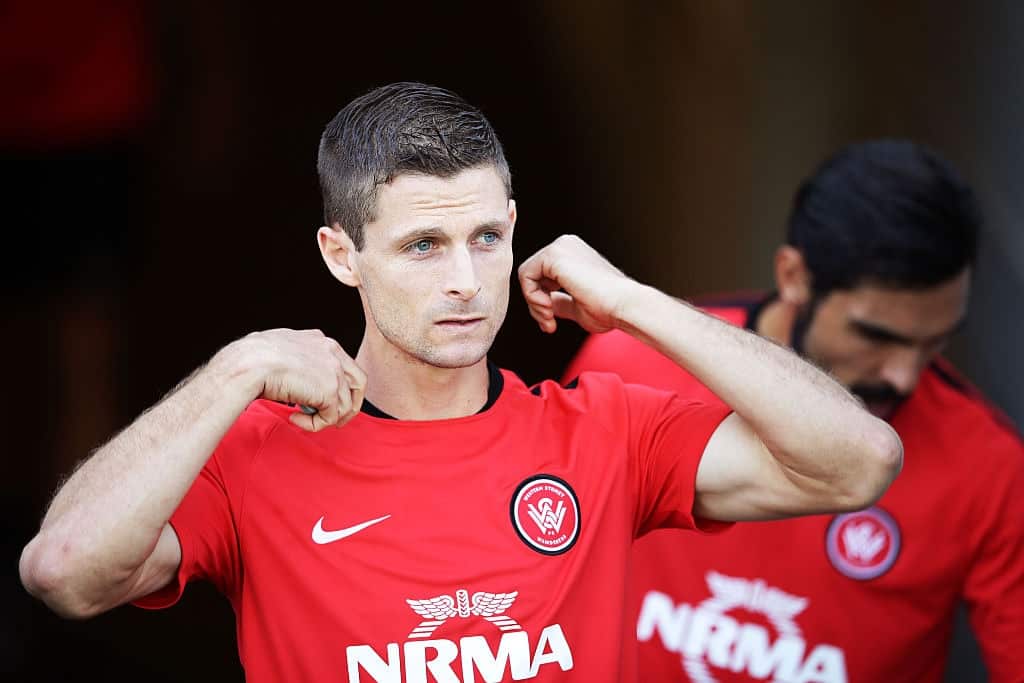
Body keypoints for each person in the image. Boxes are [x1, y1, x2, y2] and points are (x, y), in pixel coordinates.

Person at [18, 83, 901, 683]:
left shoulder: (603, 430)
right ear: (341, 254)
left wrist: (635, 303)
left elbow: (857, 463)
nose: (467, 283)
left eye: (485, 237)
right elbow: (64, 571)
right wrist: (235, 368)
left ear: (515, 225)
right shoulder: (252, 452)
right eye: (422, 247)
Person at [564, 139, 1024, 682]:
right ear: (793, 276)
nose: (904, 375)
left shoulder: (989, 463)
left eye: (934, 342)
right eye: (875, 335)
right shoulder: (628, 359)